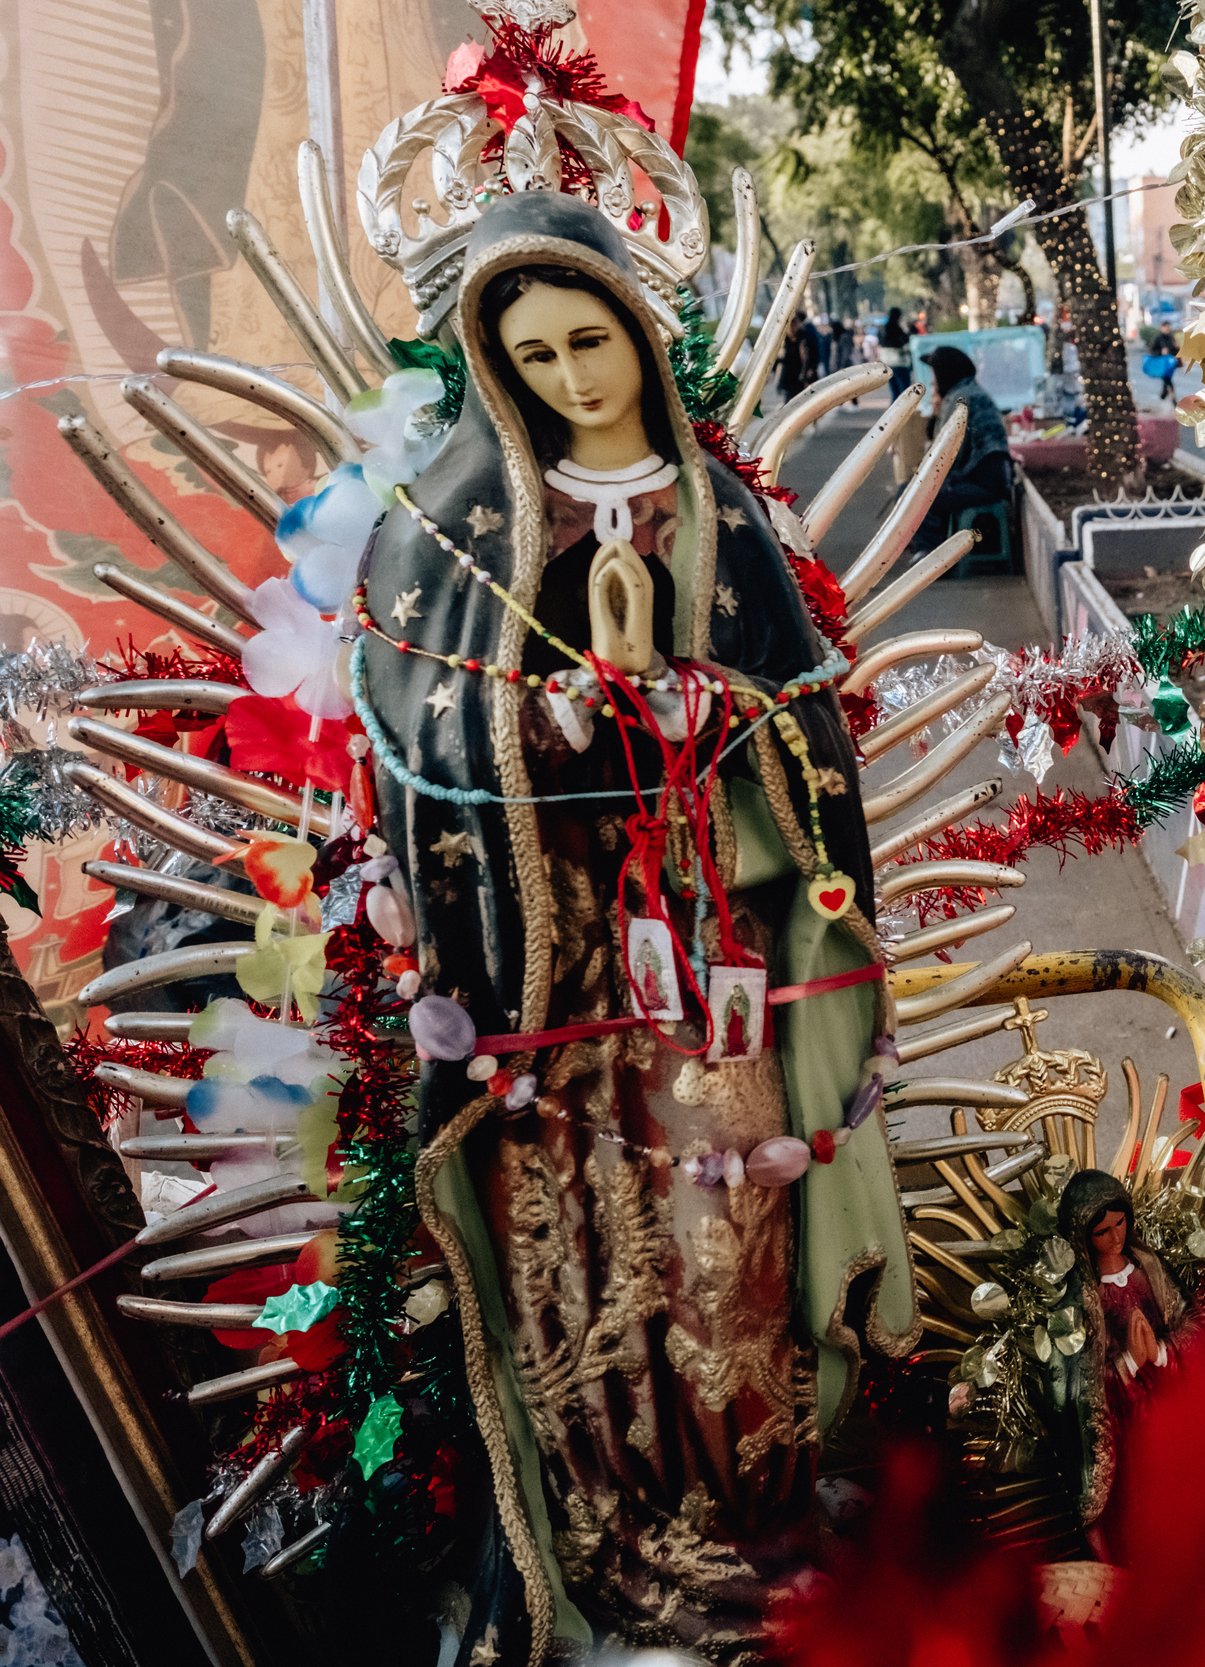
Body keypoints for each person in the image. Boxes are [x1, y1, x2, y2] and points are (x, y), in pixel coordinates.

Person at [360, 190, 917, 1658]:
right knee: (571, 1266)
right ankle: (613, 1514)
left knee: (720, 1248)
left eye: (591, 339)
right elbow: (416, 742)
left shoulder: (716, 514)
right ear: (493, 363)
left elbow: (802, 754)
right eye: (534, 356)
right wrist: (549, 720)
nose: (572, 379)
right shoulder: (458, 531)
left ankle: (744, 1510)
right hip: (546, 994)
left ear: (639, 330)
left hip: (705, 972)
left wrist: (670, 699)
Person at [1056, 1169, 1185, 1551]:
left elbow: (1188, 1321)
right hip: (1124, 1418)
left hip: (1170, 1394)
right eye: (1102, 1232)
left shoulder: (1150, 1268)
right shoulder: (1082, 1295)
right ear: (1083, 1237)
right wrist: (1128, 1362)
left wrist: (1161, 1353)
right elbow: (1077, 1377)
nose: (1116, 1237)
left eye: (1120, 1223)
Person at [907, 345, 1014, 551]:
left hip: (984, 483)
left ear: (945, 374)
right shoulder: (964, 392)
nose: (933, 383)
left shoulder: (961, 398)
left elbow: (947, 453)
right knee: (913, 491)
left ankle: (931, 554)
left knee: (916, 495)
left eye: (935, 376)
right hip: (982, 479)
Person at [876, 305, 912, 399]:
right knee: (905, 392)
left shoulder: (883, 329)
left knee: (895, 393)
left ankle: (894, 412)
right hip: (899, 362)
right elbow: (905, 343)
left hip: (887, 363)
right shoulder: (897, 328)